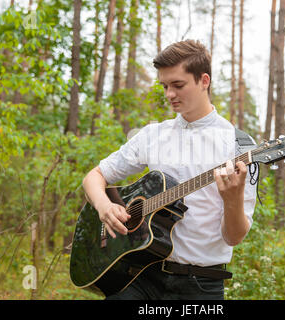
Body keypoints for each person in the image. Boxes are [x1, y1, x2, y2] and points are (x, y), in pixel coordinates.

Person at [82, 40, 257, 300]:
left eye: (178, 85)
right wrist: (104, 206)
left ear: (204, 80)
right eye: (164, 86)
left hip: (201, 286)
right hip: (141, 276)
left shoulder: (238, 146)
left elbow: (233, 238)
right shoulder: (153, 135)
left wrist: (232, 201)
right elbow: (94, 177)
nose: (169, 94)